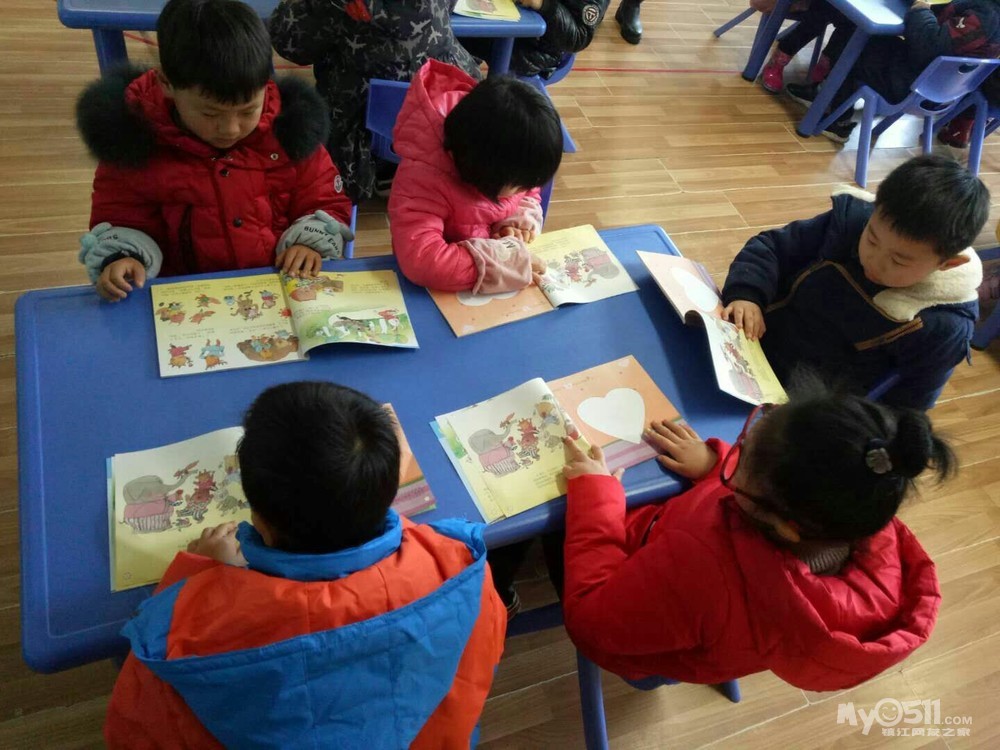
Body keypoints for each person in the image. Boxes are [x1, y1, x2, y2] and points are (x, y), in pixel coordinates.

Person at [104, 381, 507, 749]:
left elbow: (134, 733)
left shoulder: (185, 635)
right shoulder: (459, 566)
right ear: (390, 488)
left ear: (259, 520)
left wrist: (200, 572)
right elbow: (477, 662)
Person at [561, 375, 952, 691]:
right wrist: (715, 468)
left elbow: (591, 624)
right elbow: (769, 491)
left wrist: (596, 500)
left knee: (547, 524)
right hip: (687, 610)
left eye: (743, 457)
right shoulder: (852, 510)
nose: (741, 444)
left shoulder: (699, 568)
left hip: (630, 629)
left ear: (783, 525)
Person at [76, 0, 353, 302]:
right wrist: (124, 258)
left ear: (265, 84)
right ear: (166, 82)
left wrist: (309, 242)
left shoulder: (291, 132)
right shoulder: (133, 143)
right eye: (210, 114)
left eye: (248, 111)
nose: (231, 129)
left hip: (275, 294)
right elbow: (120, 217)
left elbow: (325, 200)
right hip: (184, 301)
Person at [720, 154, 987, 411]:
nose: (873, 261)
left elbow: (907, 406)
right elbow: (772, 247)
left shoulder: (944, 327)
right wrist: (747, 294)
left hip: (798, 405)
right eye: (871, 239)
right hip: (748, 337)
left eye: (898, 261)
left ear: (948, 263)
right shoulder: (850, 222)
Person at [269, 0, 481, 203]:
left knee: (298, 97)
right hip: (436, 119)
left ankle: (380, 167)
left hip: (354, 138)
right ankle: (396, 165)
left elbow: (288, 42)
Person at [388, 60, 563, 293]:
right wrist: (505, 262)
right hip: (436, 290)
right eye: (518, 185)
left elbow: (529, 190)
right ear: (486, 173)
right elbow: (422, 261)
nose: (525, 190)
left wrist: (515, 222)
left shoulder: (501, 157)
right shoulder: (424, 176)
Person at [786, 0, 1000, 143]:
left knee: (854, 37)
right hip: (938, 89)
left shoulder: (986, 14)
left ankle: (836, 119)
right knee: (872, 39)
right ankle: (828, 94)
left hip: (911, 86)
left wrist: (920, 8)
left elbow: (929, 46)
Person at [507, 0, 610, 79]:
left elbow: (577, 38)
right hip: (519, 22)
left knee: (498, 47)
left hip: (538, 50)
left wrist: (544, 5)